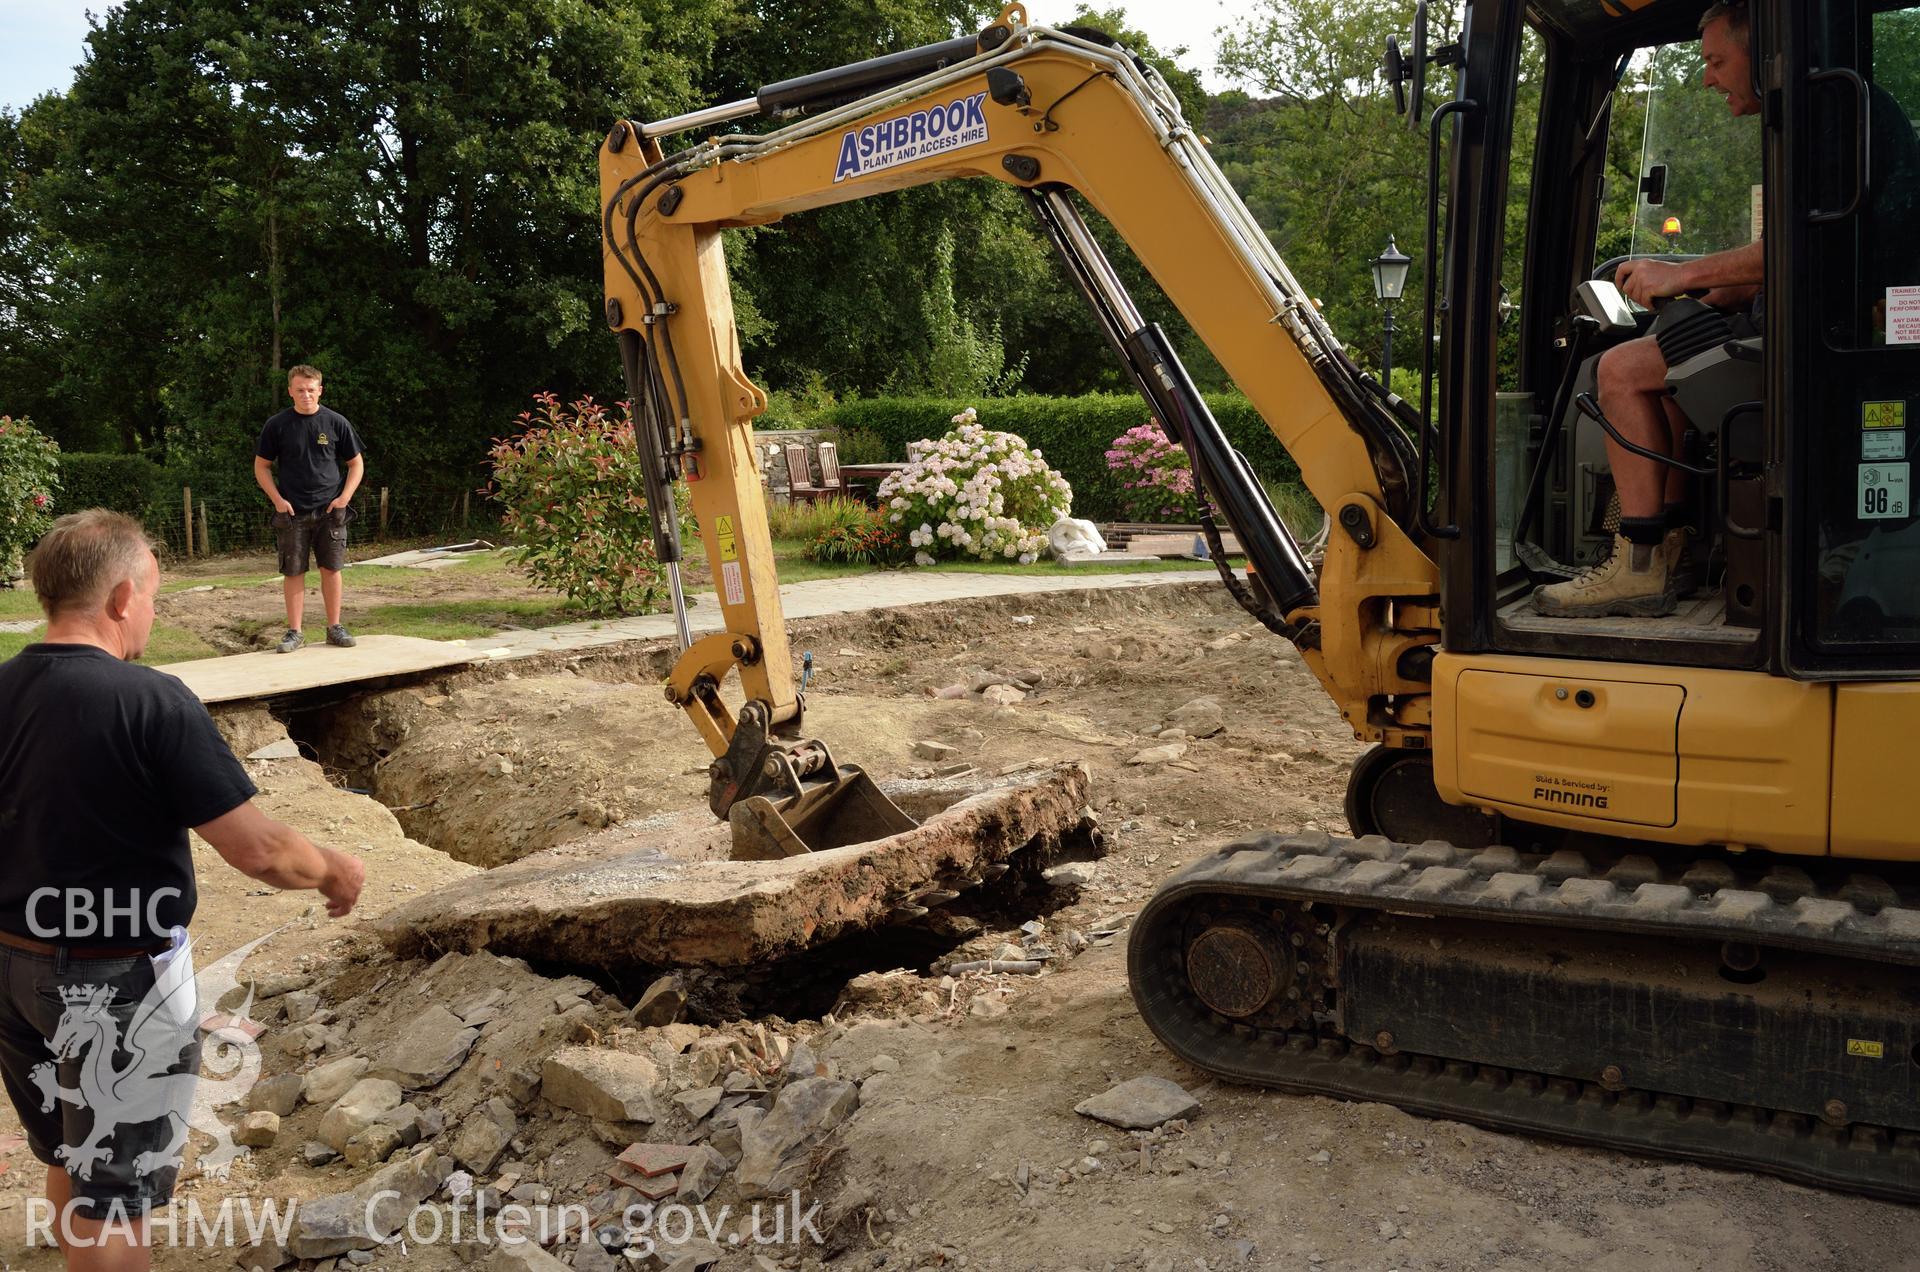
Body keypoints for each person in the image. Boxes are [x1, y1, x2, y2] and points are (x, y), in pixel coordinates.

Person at [0, 510, 365, 1271]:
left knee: (71, 1150)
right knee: (118, 1200)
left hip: (12, 965)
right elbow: (259, 850)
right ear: (124, 596)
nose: (154, 614)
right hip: (119, 981)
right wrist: (333, 869)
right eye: (156, 597)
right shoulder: (151, 701)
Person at [1535, 0, 1762, 618]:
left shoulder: (1822, 120)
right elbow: (1808, 256)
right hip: (1801, 327)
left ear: (1767, 51)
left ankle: (1637, 563)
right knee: (1667, 379)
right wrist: (1731, 290)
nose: (1708, 77)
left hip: (1809, 346)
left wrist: (1683, 272)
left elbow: (1794, 247)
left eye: (1717, 59)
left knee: (1620, 371)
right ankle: (1673, 547)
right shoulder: (1817, 119)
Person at [253, 365, 365, 652]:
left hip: (330, 512)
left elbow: (356, 464)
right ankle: (294, 632)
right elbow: (261, 466)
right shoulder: (276, 425)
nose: (306, 395)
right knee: (293, 571)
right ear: (290, 391)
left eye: (311, 390)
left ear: (320, 390)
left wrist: (344, 498)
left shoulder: (336, 422)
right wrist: (278, 500)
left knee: (332, 568)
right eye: (300, 390)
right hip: (292, 513)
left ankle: (335, 628)